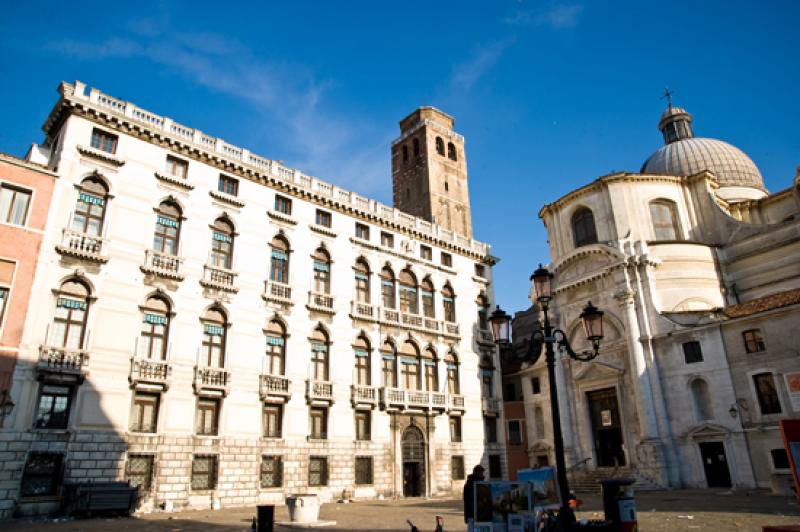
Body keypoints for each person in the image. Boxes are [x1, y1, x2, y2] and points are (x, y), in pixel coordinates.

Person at [463, 464, 485, 531]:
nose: (482, 474)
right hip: (472, 512)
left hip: (478, 512)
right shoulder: (471, 483)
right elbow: (467, 498)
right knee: (472, 528)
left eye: (482, 472)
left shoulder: (479, 482)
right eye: (481, 472)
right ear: (477, 473)